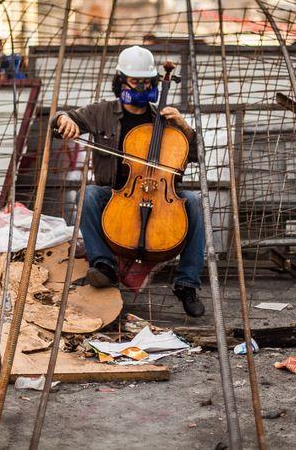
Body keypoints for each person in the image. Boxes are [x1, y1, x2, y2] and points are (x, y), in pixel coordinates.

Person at [53, 45, 206, 317]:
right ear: (121, 80)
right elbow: (64, 119)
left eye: (148, 82)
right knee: (89, 194)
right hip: (116, 194)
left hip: (162, 196)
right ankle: (103, 265)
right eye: (136, 82)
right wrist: (63, 120)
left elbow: (196, 156)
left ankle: (187, 284)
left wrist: (184, 127)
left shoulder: (166, 119)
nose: (142, 87)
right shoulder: (102, 112)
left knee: (194, 202)